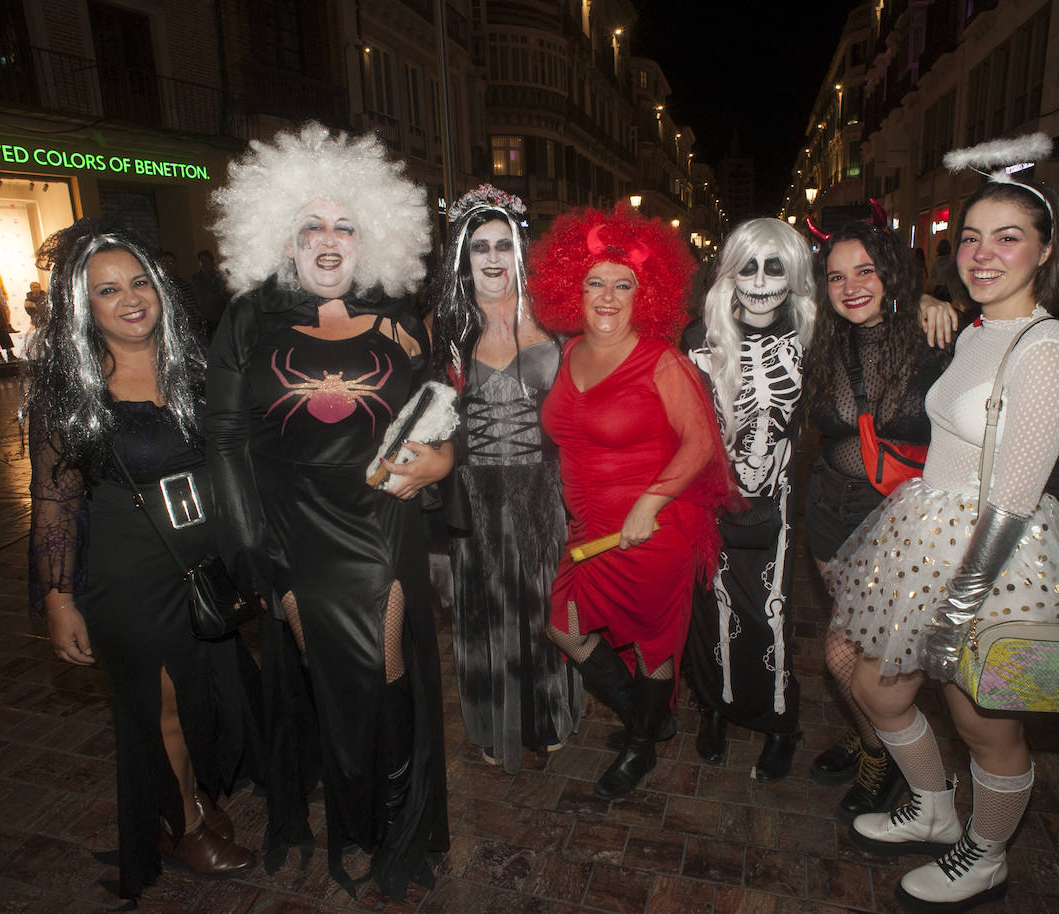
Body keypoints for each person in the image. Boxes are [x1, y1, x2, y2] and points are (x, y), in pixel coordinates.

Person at [826, 168, 1059, 911]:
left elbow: (1016, 499)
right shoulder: (974, 327)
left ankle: (986, 854)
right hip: (928, 528)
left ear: (1046, 250)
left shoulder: (1048, 347)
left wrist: (962, 602)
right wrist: (927, 300)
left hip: (995, 552)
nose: (983, 254)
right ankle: (931, 803)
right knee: (875, 687)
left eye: (1008, 238)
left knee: (981, 721)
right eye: (970, 239)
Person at [205, 123, 450, 899]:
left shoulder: (402, 317)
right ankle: (352, 819)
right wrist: (252, 549)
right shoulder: (248, 320)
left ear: (372, 234)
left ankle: (394, 820)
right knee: (326, 676)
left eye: (346, 223)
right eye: (311, 223)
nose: (329, 237)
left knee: (385, 672)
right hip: (293, 531)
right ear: (281, 235)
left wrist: (439, 461)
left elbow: (440, 405)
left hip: (382, 526)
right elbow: (222, 439)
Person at [24, 220, 259, 901]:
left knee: (205, 691)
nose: (130, 300)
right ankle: (182, 827)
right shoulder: (70, 392)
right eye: (106, 291)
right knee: (163, 708)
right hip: (126, 574)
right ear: (83, 306)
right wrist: (60, 598)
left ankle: (188, 795)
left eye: (138, 283)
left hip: (199, 560)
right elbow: (54, 502)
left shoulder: (196, 363)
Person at [530, 205, 735, 800]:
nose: (609, 296)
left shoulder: (660, 360)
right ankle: (648, 719)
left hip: (650, 528)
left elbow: (701, 444)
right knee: (563, 625)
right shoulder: (568, 353)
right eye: (596, 281)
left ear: (646, 295)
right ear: (574, 286)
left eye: (626, 284)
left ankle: (642, 743)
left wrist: (649, 502)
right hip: (589, 527)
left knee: (651, 643)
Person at [430, 184, 582, 773]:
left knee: (543, 607)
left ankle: (545, 719)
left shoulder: (557, 324)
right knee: (483, 612)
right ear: (463, 262)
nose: (492, 258)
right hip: (473, 495)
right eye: (479, 249)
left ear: (520, 253)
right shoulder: (445, 329)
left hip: (543, 494)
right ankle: (496, 722)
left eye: (503, 245)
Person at [803, 221, 951, 819]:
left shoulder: (936, 336)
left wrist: (936, 301)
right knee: (858, 651)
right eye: (837, 276)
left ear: (892, 274)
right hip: (830, 508)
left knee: (844, 656)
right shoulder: (822, 341)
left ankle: (878, 754)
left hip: (897, 518)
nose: (852, 286)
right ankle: (873, 734)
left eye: (866, 270)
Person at [681, 218, 815, 781]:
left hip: (775, 502)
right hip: (710, 500)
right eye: (748, 267)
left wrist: (930, 300)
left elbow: (880, 318)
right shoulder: (697, 339)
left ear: (794, 275)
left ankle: (781, 721)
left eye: (775, 266)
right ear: (729, 274)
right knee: (710, 613)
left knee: (770, 617)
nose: (760, 282)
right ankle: (716, 708)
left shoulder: (811, 337)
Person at [191, 249, 230, 341]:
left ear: (212, 262)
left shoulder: (220, 277)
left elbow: (227, 296)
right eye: (201, 261)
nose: (204, 264)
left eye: (206, 261)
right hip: (203, 320)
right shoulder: (195, 278)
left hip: (220, 318)